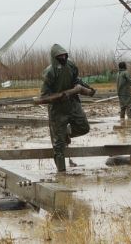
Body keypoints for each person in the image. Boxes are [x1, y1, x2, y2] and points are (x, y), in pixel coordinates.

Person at [40, 44, 91, 173]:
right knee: (59, 145)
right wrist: (58, 97)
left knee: (84, 127)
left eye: (64, 55)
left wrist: (84, 87)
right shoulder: (50, 72)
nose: (62, 57)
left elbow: (76, 79)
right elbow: (44, 96)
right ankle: (61, 173)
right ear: (54, 57)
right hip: (57, 110)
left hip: (73, 104)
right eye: (59, 56)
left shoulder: (71, 65)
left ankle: (67, 133)